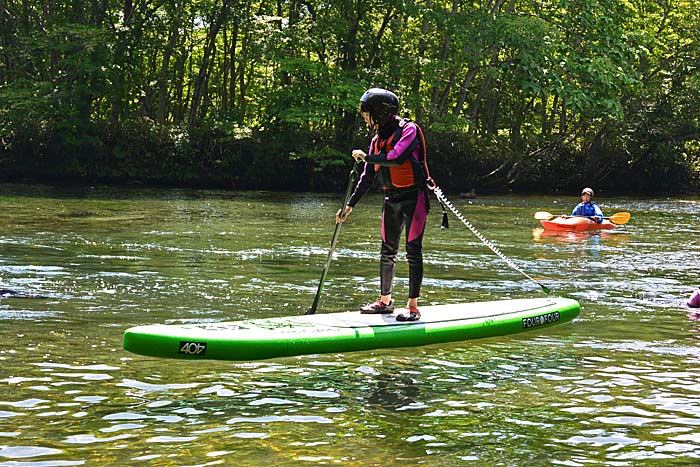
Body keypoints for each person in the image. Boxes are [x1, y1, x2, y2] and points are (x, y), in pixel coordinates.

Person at [336, 88, 430, 322]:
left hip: (414, 198)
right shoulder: (377, 140)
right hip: (392, 199)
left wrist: (366, 157)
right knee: (387, 251)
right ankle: (385, 301)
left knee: (413, 252)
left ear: (380, 112)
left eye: (366, 113)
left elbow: (397, 158)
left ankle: (413, 307)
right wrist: (350, 205)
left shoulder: (409, 130)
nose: (364, 118)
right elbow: (367, 176)